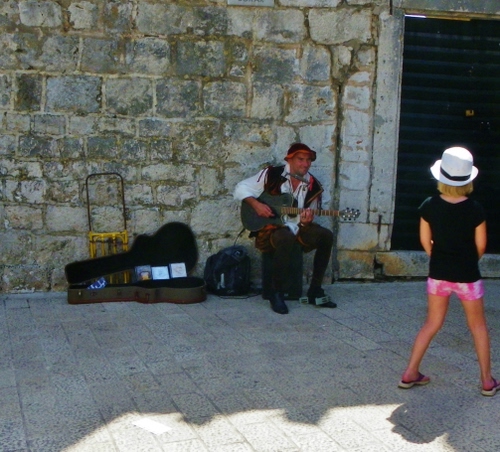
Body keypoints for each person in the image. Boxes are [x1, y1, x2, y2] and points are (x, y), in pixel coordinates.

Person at [398, 146, 499, 396]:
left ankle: (410, 372)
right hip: (468, 277)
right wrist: (466, 261)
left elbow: (425, 241)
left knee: (432, 323)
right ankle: (487, 381)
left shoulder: (428, 205)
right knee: (478, 326)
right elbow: (481, 246)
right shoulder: (476, 209)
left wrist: (439, 257)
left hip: (438, 274)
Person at [234, 142, 336, 314]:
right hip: (272, 228)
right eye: (301, 159)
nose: (305, 164)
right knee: (285, 237)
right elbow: (241, 188)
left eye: (308, 160)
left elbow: (307, 216)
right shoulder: (272, 174)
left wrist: (305, 222)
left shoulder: (313, 186)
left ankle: (315, 290)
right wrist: (256, 205)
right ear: (290, 159)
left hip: (297, 226)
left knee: (326, 236)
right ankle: (276, 292)